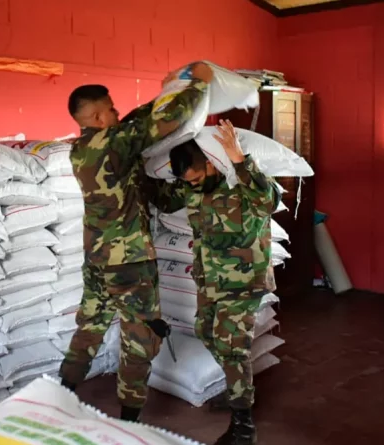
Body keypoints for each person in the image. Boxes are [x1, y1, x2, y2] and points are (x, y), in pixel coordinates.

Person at [59, 62, 214, 422]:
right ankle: (129, 417)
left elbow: (130, 125)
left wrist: (161, 93)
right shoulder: (113, 143)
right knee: (140, 335)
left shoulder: (84, 148)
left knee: (91, 325)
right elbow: (162, 123)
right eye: (111, 108)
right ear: (98, 117)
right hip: (128, 261)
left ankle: (61, 392)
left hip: (97, 258)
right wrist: (196, 88)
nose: (116, 112)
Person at [147, 121, 280, 445]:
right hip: (209, 280)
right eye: (187, 180)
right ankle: (241, 390)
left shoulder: (243, 183)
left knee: (232, 348)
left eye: (196, 176)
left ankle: (243, 426)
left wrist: (239, 160)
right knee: (208, 333)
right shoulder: (192, 188)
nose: (193, 183)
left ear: (210, 161)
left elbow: (269, 201)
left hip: (243, 282)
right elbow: (164, 200)